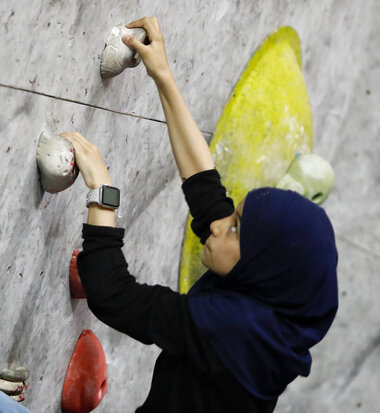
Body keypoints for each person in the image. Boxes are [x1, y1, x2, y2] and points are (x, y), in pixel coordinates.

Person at [63, 16, 338, 412]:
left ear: (264, 265)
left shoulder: (236, 335)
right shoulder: (271, 312)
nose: (218, 226)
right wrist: (162, 75)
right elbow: (204, 184)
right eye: (236, 217)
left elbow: (115, 297)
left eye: (235, 229)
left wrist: (101, 191)